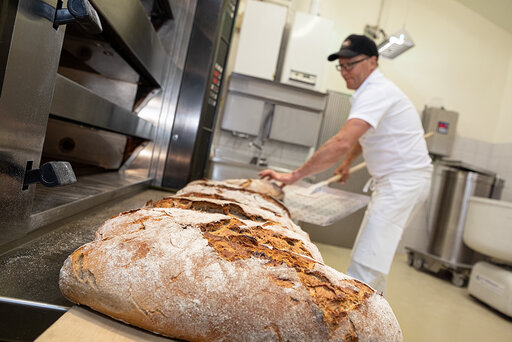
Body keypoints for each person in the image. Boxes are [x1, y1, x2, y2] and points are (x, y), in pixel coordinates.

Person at [259, 34, 432, 294]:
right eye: (341, 65)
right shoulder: (369, 92)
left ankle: (350, 320)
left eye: (350, 65)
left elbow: (342, 141)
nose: (344, 72)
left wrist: (293, 176)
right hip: (396, 181)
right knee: (373, 253)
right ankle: (371, 315)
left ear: (373, 62)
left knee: (367, 259)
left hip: (403, 182)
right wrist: (348, 162)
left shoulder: (376, 91)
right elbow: (365, 136)